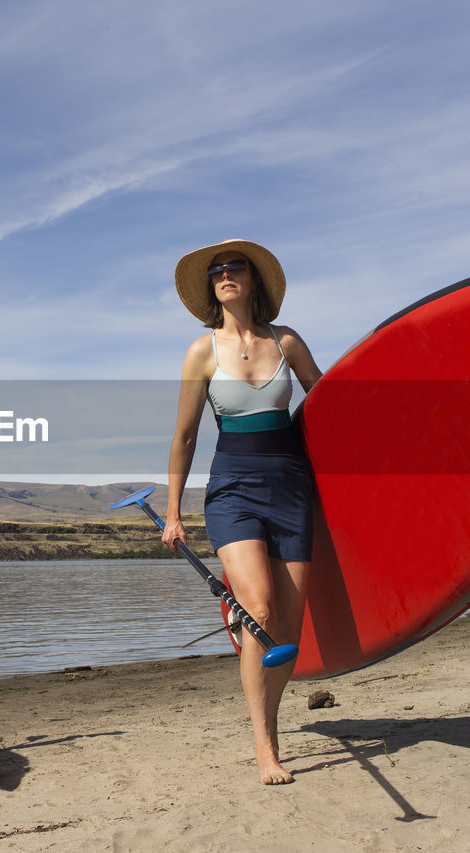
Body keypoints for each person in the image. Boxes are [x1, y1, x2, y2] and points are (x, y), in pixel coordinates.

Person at [162, 239, 322, 785]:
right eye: (216, 271)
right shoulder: (201, 352)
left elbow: (328, 408)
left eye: (235, 268)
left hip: (292, 488)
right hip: (232, 489)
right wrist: (173, 513)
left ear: (254, 281)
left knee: (288, 628)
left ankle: (270, 725)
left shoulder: (288, 342)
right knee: (258, 608)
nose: (225, 275)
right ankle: (264, 747)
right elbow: (184, 438)